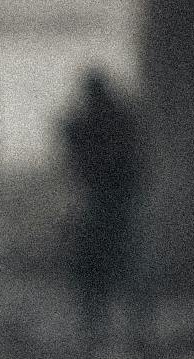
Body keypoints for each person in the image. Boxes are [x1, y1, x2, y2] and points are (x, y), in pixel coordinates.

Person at [59, 61, 143, 344]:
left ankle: (97, 324)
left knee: (96, 267)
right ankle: (127, 327)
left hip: (101, 204)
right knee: (120, 265)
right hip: (116, 204)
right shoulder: (122, 120)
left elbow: (76, 158)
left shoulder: (88, 123)